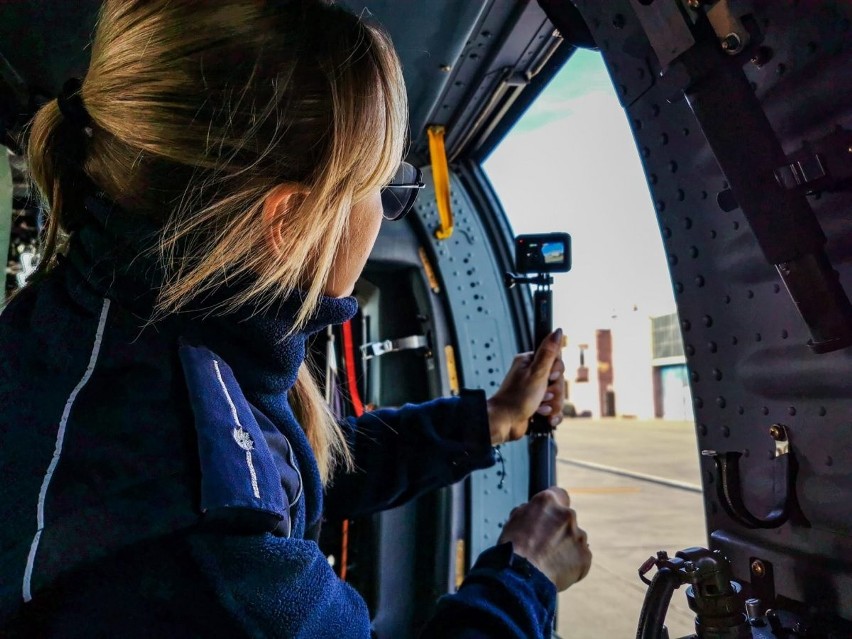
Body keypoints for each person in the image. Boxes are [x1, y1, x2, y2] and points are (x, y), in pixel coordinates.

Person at [0, 1, 591, 637]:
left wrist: (490, 419)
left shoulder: (121, 323)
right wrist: (526, 573)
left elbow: (291, 467)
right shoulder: (206, 549)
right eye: (388, 188)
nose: (384, 213)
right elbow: (238, 498)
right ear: (288, 221)